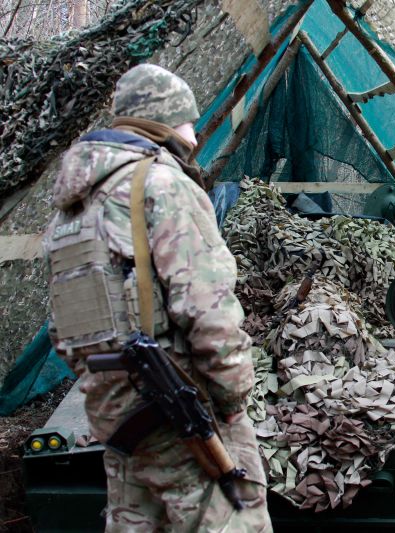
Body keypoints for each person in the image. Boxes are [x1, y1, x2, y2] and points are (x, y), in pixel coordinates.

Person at [43, 64, 272, 531]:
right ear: (164, 121)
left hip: (115, 411)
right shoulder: (161, 185)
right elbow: (209, 312)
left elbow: (62, 331)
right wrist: (232, 400)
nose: (193, 131)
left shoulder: (70, 210)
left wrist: (106, 383)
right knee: (236, 518)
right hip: (177, 409)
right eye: (187, 119)